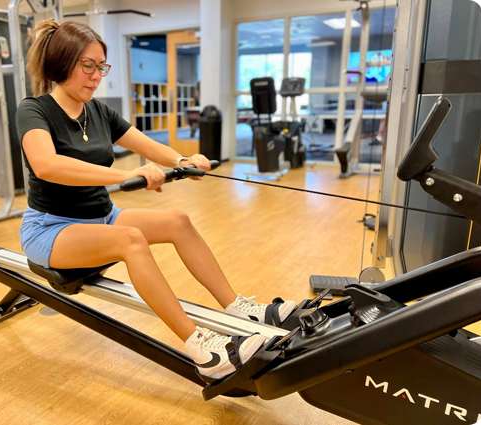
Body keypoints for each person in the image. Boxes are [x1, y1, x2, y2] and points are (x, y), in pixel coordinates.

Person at [16, 20, 296, 380]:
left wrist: (182, 161)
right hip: (52, 228)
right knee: (131, 240)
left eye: (101, 66)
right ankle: (202, 349)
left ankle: (238, 309)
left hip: (101, 216)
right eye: (88, 65)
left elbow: (148, 146)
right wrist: (125, 176)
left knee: (177, 219)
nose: (96, 75)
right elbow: (47, 166)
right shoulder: (34, 110)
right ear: (60, 63)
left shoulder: (98, 112)